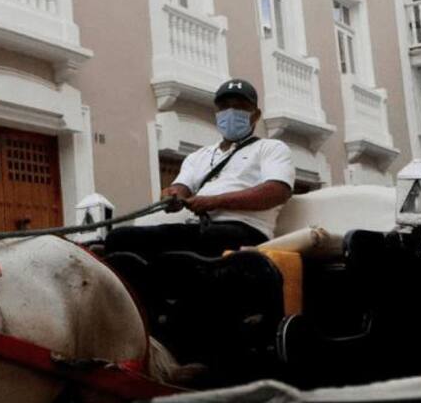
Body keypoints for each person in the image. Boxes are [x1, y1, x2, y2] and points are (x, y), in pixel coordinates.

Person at [104, 78, 294, 264]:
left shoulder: (271, 148)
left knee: (189, 240)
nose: (230, 112)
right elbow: (179, 188)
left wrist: (214, 201)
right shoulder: (198, 156)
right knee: (118, 238)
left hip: (245, 229)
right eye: (224, 106)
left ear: (255, 114)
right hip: (199, 228)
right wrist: (171, 197)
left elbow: (277, 192)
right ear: (217, 112)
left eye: (239, 106)